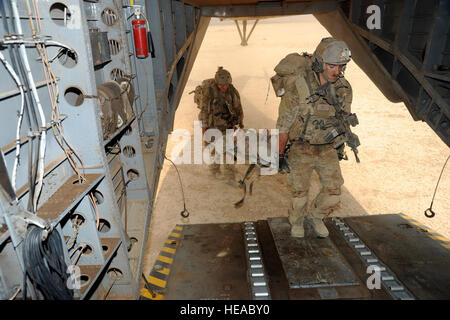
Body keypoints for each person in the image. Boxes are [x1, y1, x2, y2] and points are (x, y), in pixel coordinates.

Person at [274, 37, 355, 238]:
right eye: (331, 66)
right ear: (319, 63)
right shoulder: (299, 87)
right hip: (301, 147)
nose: (337, 71)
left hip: (326, 147)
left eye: (340, 66)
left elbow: (342, 119)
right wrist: (280, 156)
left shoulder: (343, 88)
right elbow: (283, 126)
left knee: (334, 192)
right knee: (299, 194)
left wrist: (340, 146)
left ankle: (316, 216)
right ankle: (297, 221)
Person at [198, 67, 244, 186]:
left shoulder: (232, 91)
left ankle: (230, 175)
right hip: (213, 125)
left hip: (227, 124)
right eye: (221, 85)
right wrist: (204, 131)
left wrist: (239, 124)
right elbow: (204, 112)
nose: (223, 87)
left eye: (225, 85)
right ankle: (215, 171)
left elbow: (238, 108)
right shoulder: (209, 92)